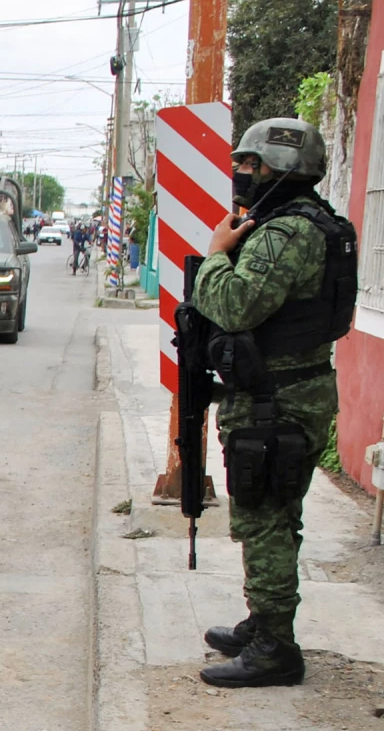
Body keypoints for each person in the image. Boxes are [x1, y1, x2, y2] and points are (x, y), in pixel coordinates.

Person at [193, 118, 356, 688]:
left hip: (275, 400)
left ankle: (275, 648)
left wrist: (215, 254)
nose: (243, 174)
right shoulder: (320, 224)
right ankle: (265, 619)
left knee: (263, 519)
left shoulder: (286, 233)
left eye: (252, 165)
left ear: (281, 169)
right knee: (277, 512)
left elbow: (235, 306)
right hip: (294, 390)